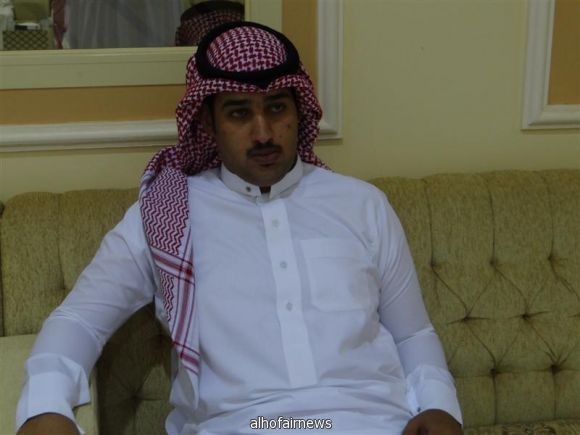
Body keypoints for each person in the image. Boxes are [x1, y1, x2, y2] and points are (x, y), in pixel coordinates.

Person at [16, 22, 463, 435]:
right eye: (238, 113)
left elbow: (412, 334)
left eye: (276, 108)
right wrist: (46, 407)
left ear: (299, 111)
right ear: (207, 122)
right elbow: (79, 320)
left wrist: (440, 405)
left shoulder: (362, 204)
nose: (263, 132)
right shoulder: (167, 213)